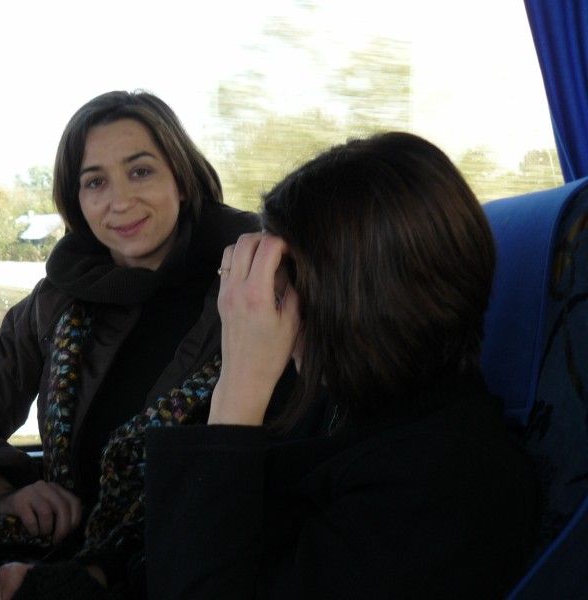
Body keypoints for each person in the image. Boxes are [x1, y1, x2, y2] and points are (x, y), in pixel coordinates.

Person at [145, 132, 541, 598]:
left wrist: (239, 386)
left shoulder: (449, 489)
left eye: (288, 280)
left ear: (357, 300)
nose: (274, 305)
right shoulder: (344, 394)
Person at [0, 90, 261, 599]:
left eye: (140, 171)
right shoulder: (56, 301)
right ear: (77, 201)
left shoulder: (251, 290)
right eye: (95, 182)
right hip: (60, 557)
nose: (119, 202)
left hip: (189, 572)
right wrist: (3, 491)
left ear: (182, 179)